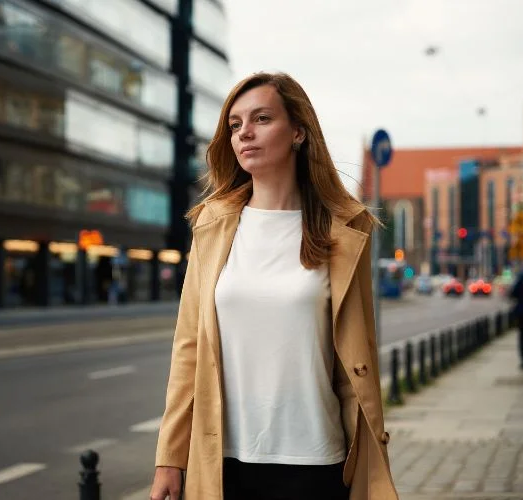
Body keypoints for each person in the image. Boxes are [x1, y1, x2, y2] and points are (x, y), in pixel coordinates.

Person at [150, 72, 398, 500]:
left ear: (298, 131)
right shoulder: (211, 226)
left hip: (316, 462)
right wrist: (170, 457)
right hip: (225, 463)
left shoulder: (344, 231)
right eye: (235, 125)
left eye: (262, 119)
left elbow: (356, 357)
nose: (245, 132)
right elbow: (189, 347)